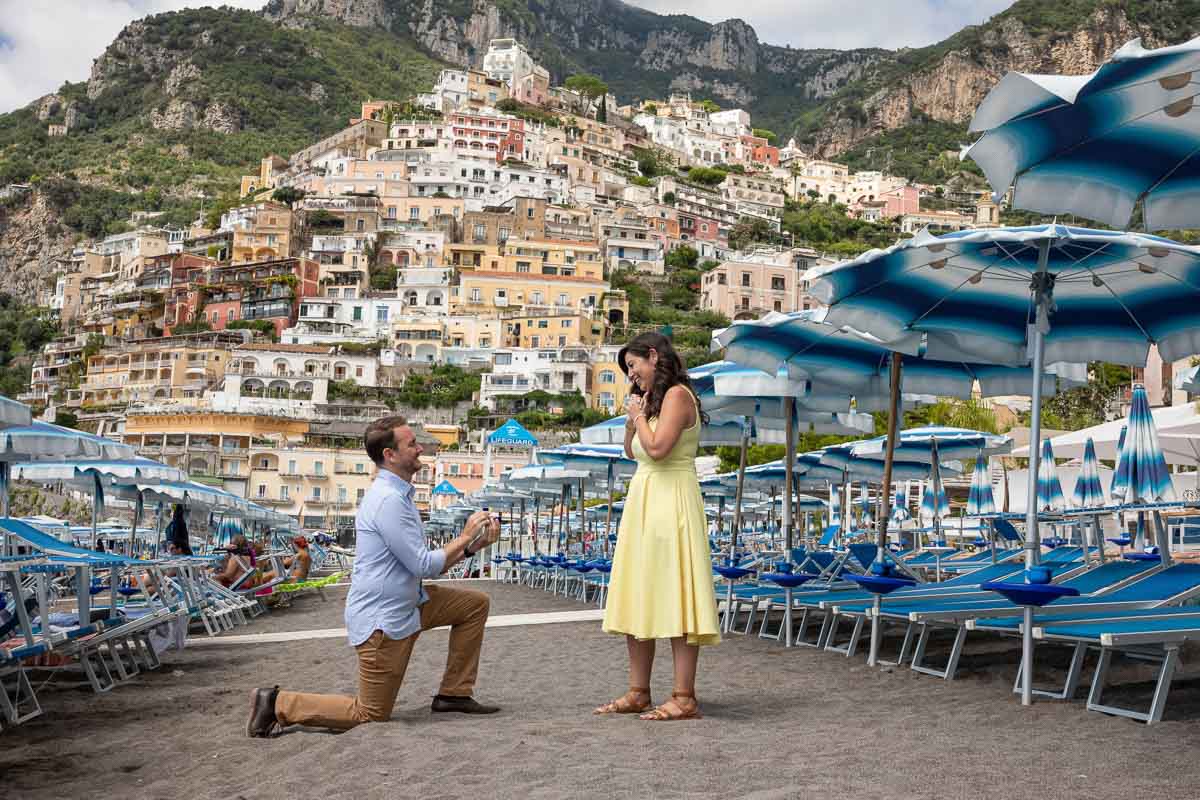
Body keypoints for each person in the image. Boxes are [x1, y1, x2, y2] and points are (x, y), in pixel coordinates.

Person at [247, 415, 502, 737]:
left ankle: (454, 694)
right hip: (384, 621)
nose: (420, 447)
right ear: (390, 455)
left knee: (474, 605)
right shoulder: (387, 501)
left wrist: (472, 546)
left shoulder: (398, 496)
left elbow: (425, 565)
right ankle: (276, 703)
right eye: (412, 444)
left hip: (410, 604)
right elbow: (423, 565)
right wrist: (465, 537)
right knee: (369, 713)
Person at [595, 332, 720, 722]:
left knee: (674, 591)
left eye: (633, 366)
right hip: (645, 499)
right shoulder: (653, 401)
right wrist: (635, 417)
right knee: (640, 590)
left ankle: (684, 695)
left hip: (671, 500)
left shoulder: (679, 395)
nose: (632, 375)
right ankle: (638, 691)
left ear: (653, 356)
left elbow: (659, 449)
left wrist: (637, 418)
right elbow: (630, 450)